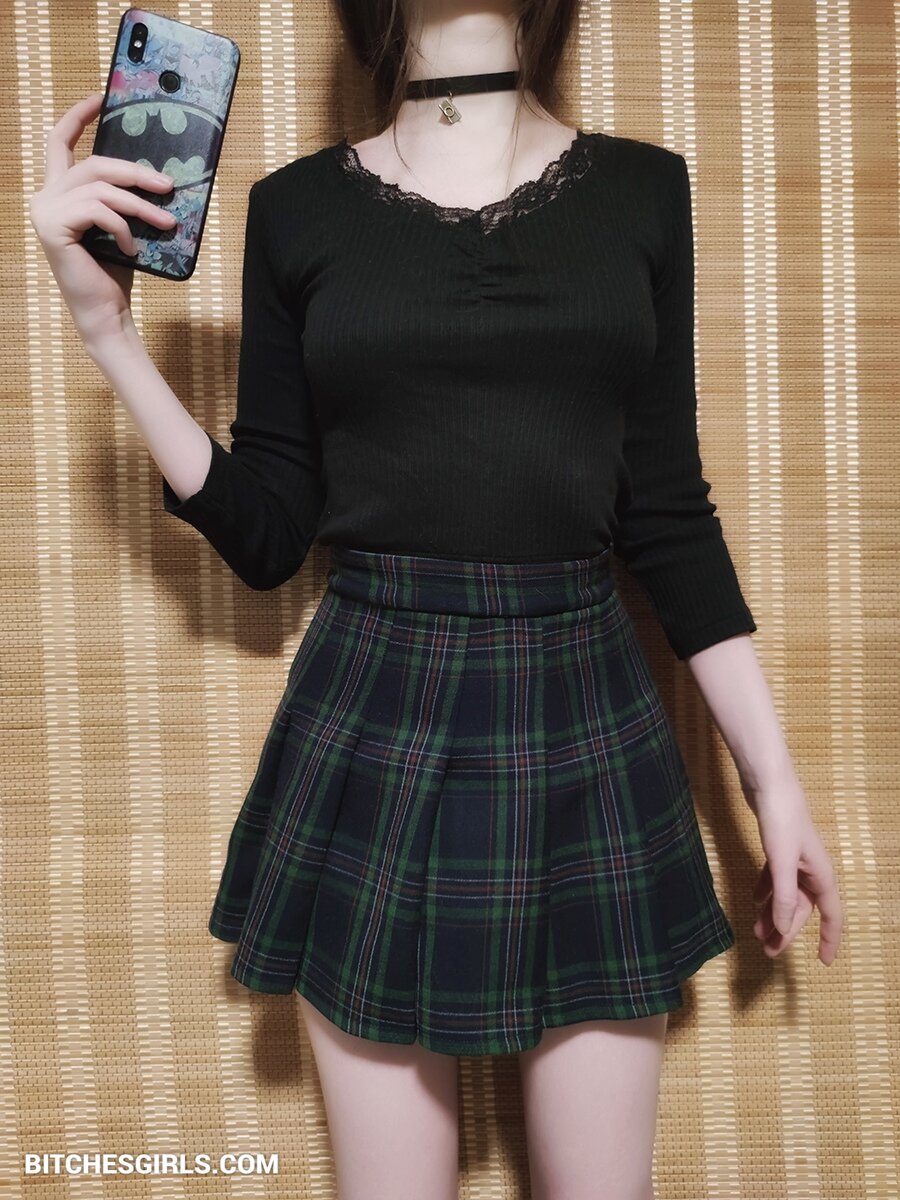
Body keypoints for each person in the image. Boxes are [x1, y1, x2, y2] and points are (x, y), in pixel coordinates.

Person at [30, 2, 843, 1197]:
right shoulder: (296, 210)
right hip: (375, 714)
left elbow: (667, 515)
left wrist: (772, 784)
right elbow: (268, 537)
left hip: (587, 716)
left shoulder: (644, 191)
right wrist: (108, 333)